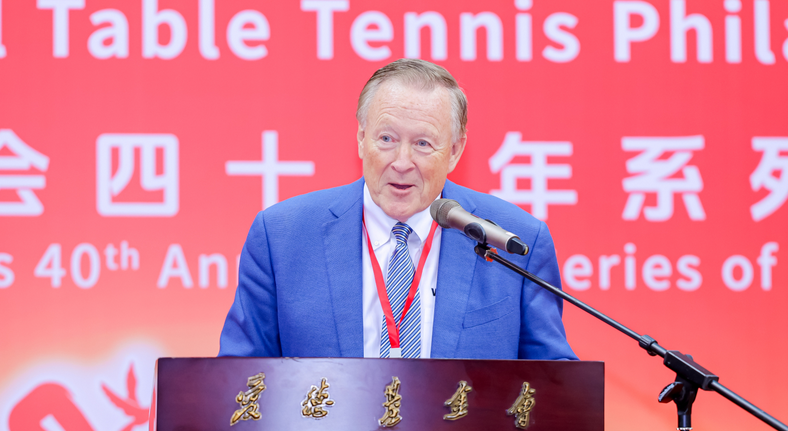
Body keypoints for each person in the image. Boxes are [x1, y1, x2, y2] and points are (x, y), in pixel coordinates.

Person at [219, 59, 576, 361]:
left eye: (423, 143)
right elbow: (237, 383)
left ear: (454, 150)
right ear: (361, 138)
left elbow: (553, 389)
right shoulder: (281, 238)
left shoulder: (516, 241)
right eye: (386, 139)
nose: (402, 162)